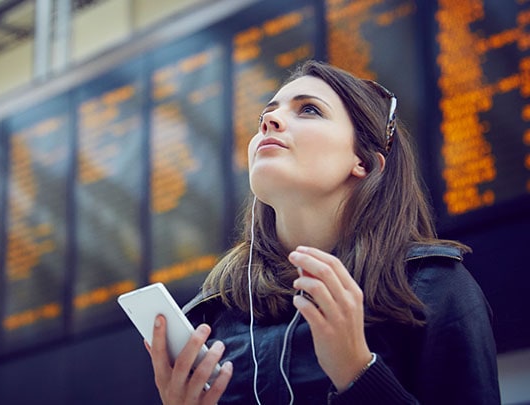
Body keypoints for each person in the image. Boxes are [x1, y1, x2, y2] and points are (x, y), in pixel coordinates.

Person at [145, 60, 500, 404]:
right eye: (265, 116)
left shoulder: (434, 288)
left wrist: (358, 372)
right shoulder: (214, 314)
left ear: (363, 161)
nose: (269, 121)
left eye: (309, 110)